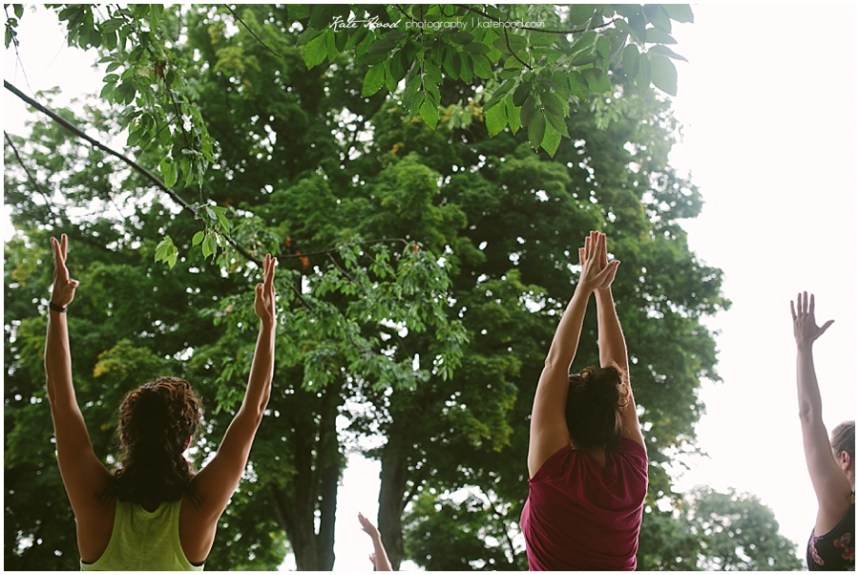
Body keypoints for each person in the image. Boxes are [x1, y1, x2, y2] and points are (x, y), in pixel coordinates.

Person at [44, 233, 277, 570]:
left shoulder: (97, 505)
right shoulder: (197, 512)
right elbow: (254, 410)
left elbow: (60, 401)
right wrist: (267, 324)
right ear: (185, 441)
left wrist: (57, 309)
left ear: (125, 437)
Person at [520, 231, 648, 570]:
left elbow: (554, 364)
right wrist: (599, 292)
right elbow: (611, 369)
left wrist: (587, 288)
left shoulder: (554, 472)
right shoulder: (632, 472)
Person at [791, 291, 855, 570]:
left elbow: (809, 415)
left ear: (844, 458)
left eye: (829, 456)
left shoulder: (841, 504)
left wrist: (804, 348)